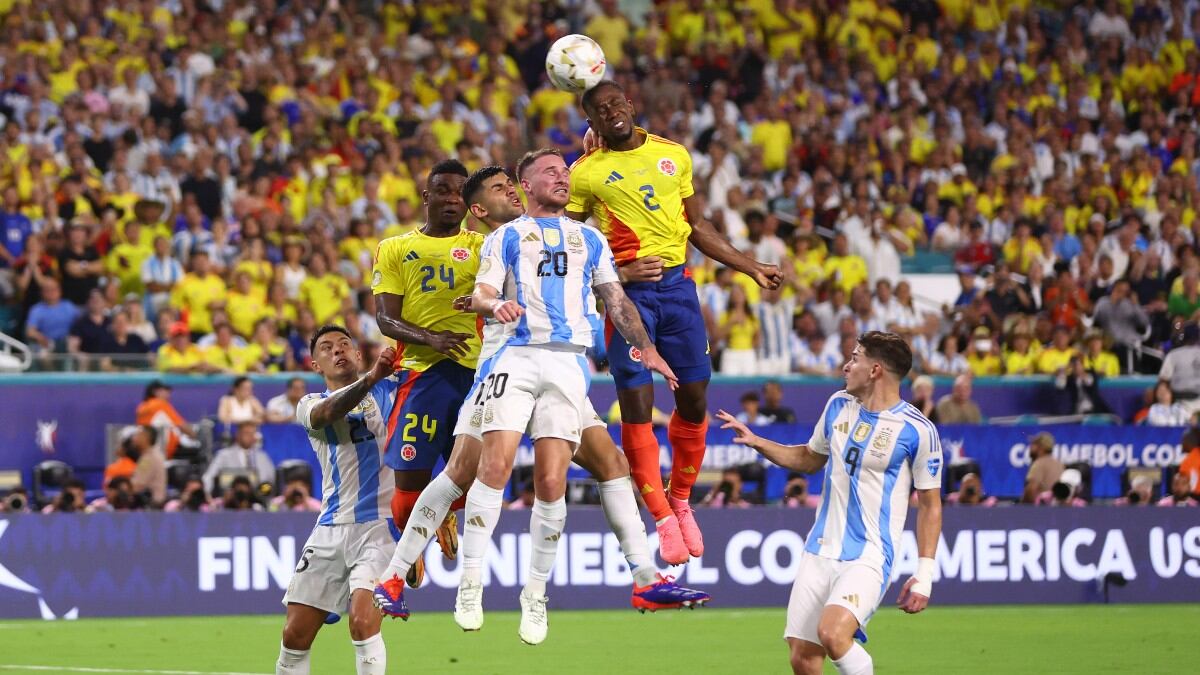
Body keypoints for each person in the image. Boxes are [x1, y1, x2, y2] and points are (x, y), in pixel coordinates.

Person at [373, 165, 708, 628]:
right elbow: (467, 277)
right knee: (467, 471)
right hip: (503, 365)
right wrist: (478, 302)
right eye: (499, 189)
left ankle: (641, 578)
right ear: (478, 210)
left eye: (511, 186)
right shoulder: (482, 244)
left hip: (562, 365)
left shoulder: (563, 236)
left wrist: (623, 280)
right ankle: (414, 579)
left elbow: (564, 225)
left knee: (608, 464)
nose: (510, 192)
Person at [453, 149, 676, 645]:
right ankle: (471, 581)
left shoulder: (590, 238)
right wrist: (497, 302)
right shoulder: (506, 236)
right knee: (496, 464)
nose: (562, 177)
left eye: (565, 171)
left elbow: (616, 300)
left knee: (553, 478)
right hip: (518, 354)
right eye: (550, 172)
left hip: (569, 362)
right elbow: (482, 293)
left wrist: (648, 350)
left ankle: (535, 594)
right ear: (525, 185)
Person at [568, 80, 782, 564]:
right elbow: (570, 243)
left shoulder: (675, 156)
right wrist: (618, 273)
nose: (611, 113)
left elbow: (699, 227)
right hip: (625, 298)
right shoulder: (585, 173)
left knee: (694, 398)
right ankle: (662, 517)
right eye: (600, 110)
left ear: (631, 104)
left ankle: (681, 499)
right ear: (592, 122)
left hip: (679, 291)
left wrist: (750, 266)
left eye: (616, 103)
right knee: (637, 404)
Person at [716, 331, 942, 675]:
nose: (845, 366)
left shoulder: (917, 430)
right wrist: (757, 441)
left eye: (855, 358)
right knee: (803, 657)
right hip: (819, 549)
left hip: (869, 554)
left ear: (875, 370)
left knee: (834, 634)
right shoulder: (838, 404)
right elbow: (809, 458)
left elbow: (930, 504)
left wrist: (924, 575)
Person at [369, 159, 481, 586]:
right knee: (409, 477)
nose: (452, 199)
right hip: (421, 371)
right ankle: (409, 540)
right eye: (444, 191)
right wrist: (431, 338)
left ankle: (445, 517)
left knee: (475, 473)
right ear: (427, 196)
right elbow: (385, 320)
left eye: (459, 193)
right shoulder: (395, 248)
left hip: (477, 375)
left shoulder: (483, 245)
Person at [275, 327, 399, 675]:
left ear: (358, 354)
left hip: (381, 528)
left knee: (362, 621)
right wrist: (373, 376)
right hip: (330, 528)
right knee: (294, 634)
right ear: (316, 364)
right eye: (327, 348)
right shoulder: (309, 405)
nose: (338, 350)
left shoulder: (394, 389)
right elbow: (328, 414)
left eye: (345, 344)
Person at [203, 422, 275, 495]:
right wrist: (206, 494)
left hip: (258, 499)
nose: (251, 436)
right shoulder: (224, 455)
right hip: (231, 501)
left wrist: (261, 493)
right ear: (238, 435)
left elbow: (271, 481)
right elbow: (209, 477)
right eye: (247, 433)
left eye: (253, 433)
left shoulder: (263, 457)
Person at [136, 380, 197, 458]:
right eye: (166, 391)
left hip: (146, 450)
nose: (169, 394)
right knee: (199, 453)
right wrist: (196, 437)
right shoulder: (160, 404)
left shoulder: (142, 407)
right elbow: (182, 426)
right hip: (166, 450)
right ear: (156, 391)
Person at [1022, 431, 1064, 504]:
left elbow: (1031, 489)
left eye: (1033, 444)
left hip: (1041, 510)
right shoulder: (1060, 464)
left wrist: (1023, 507)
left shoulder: (1039, 464)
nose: (1030, 447)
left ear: (1040, 447)